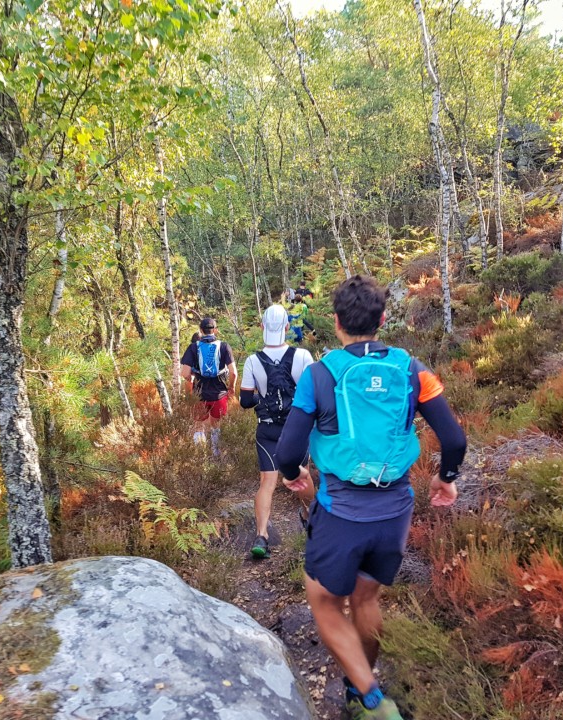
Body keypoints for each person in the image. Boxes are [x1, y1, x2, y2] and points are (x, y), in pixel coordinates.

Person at [276, 275, 467, 720]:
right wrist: (446, 478)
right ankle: (356, 692)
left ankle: (374, 700)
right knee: (366, 599)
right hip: (395, 510)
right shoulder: (413, 369)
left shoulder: (320, 375)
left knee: (323, 601)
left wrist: (295, 475)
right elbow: (453, 439)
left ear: (338, 322)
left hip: (341, 511)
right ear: (382, 319)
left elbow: (287, 452)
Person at [239, 305, 315, 560]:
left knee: (266, 483)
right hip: (296, 430)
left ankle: (262, 535)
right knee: (301, 477)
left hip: (267, 430)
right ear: (285, 328)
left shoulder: (252, 361)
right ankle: (309, 519)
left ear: (262, 327)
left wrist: (263, 398)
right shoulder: (303, 356)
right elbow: (313, 393)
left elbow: (245, 401)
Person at [180, 317, 237, 457]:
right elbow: (234, 373)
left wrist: (191, 378)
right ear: (215, 330)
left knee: (199, 425)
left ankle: (200, 455)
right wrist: (231, 387)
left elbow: (184, 373)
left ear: (201, 330)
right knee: (216, 425)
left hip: (199, 395)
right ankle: (216, 453)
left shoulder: (193, 347)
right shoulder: (224, 346)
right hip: (219, 394)